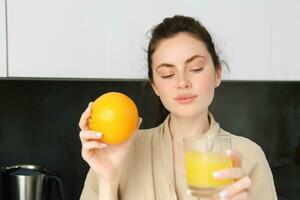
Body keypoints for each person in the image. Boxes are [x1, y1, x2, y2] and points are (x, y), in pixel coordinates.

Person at [79, 15, 277, 200]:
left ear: (217, 73)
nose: (182, 82)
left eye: (195, 68)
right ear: (155, 86)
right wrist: (108, 179)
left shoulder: (249, 156)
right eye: (167, 74)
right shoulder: (119, 151)